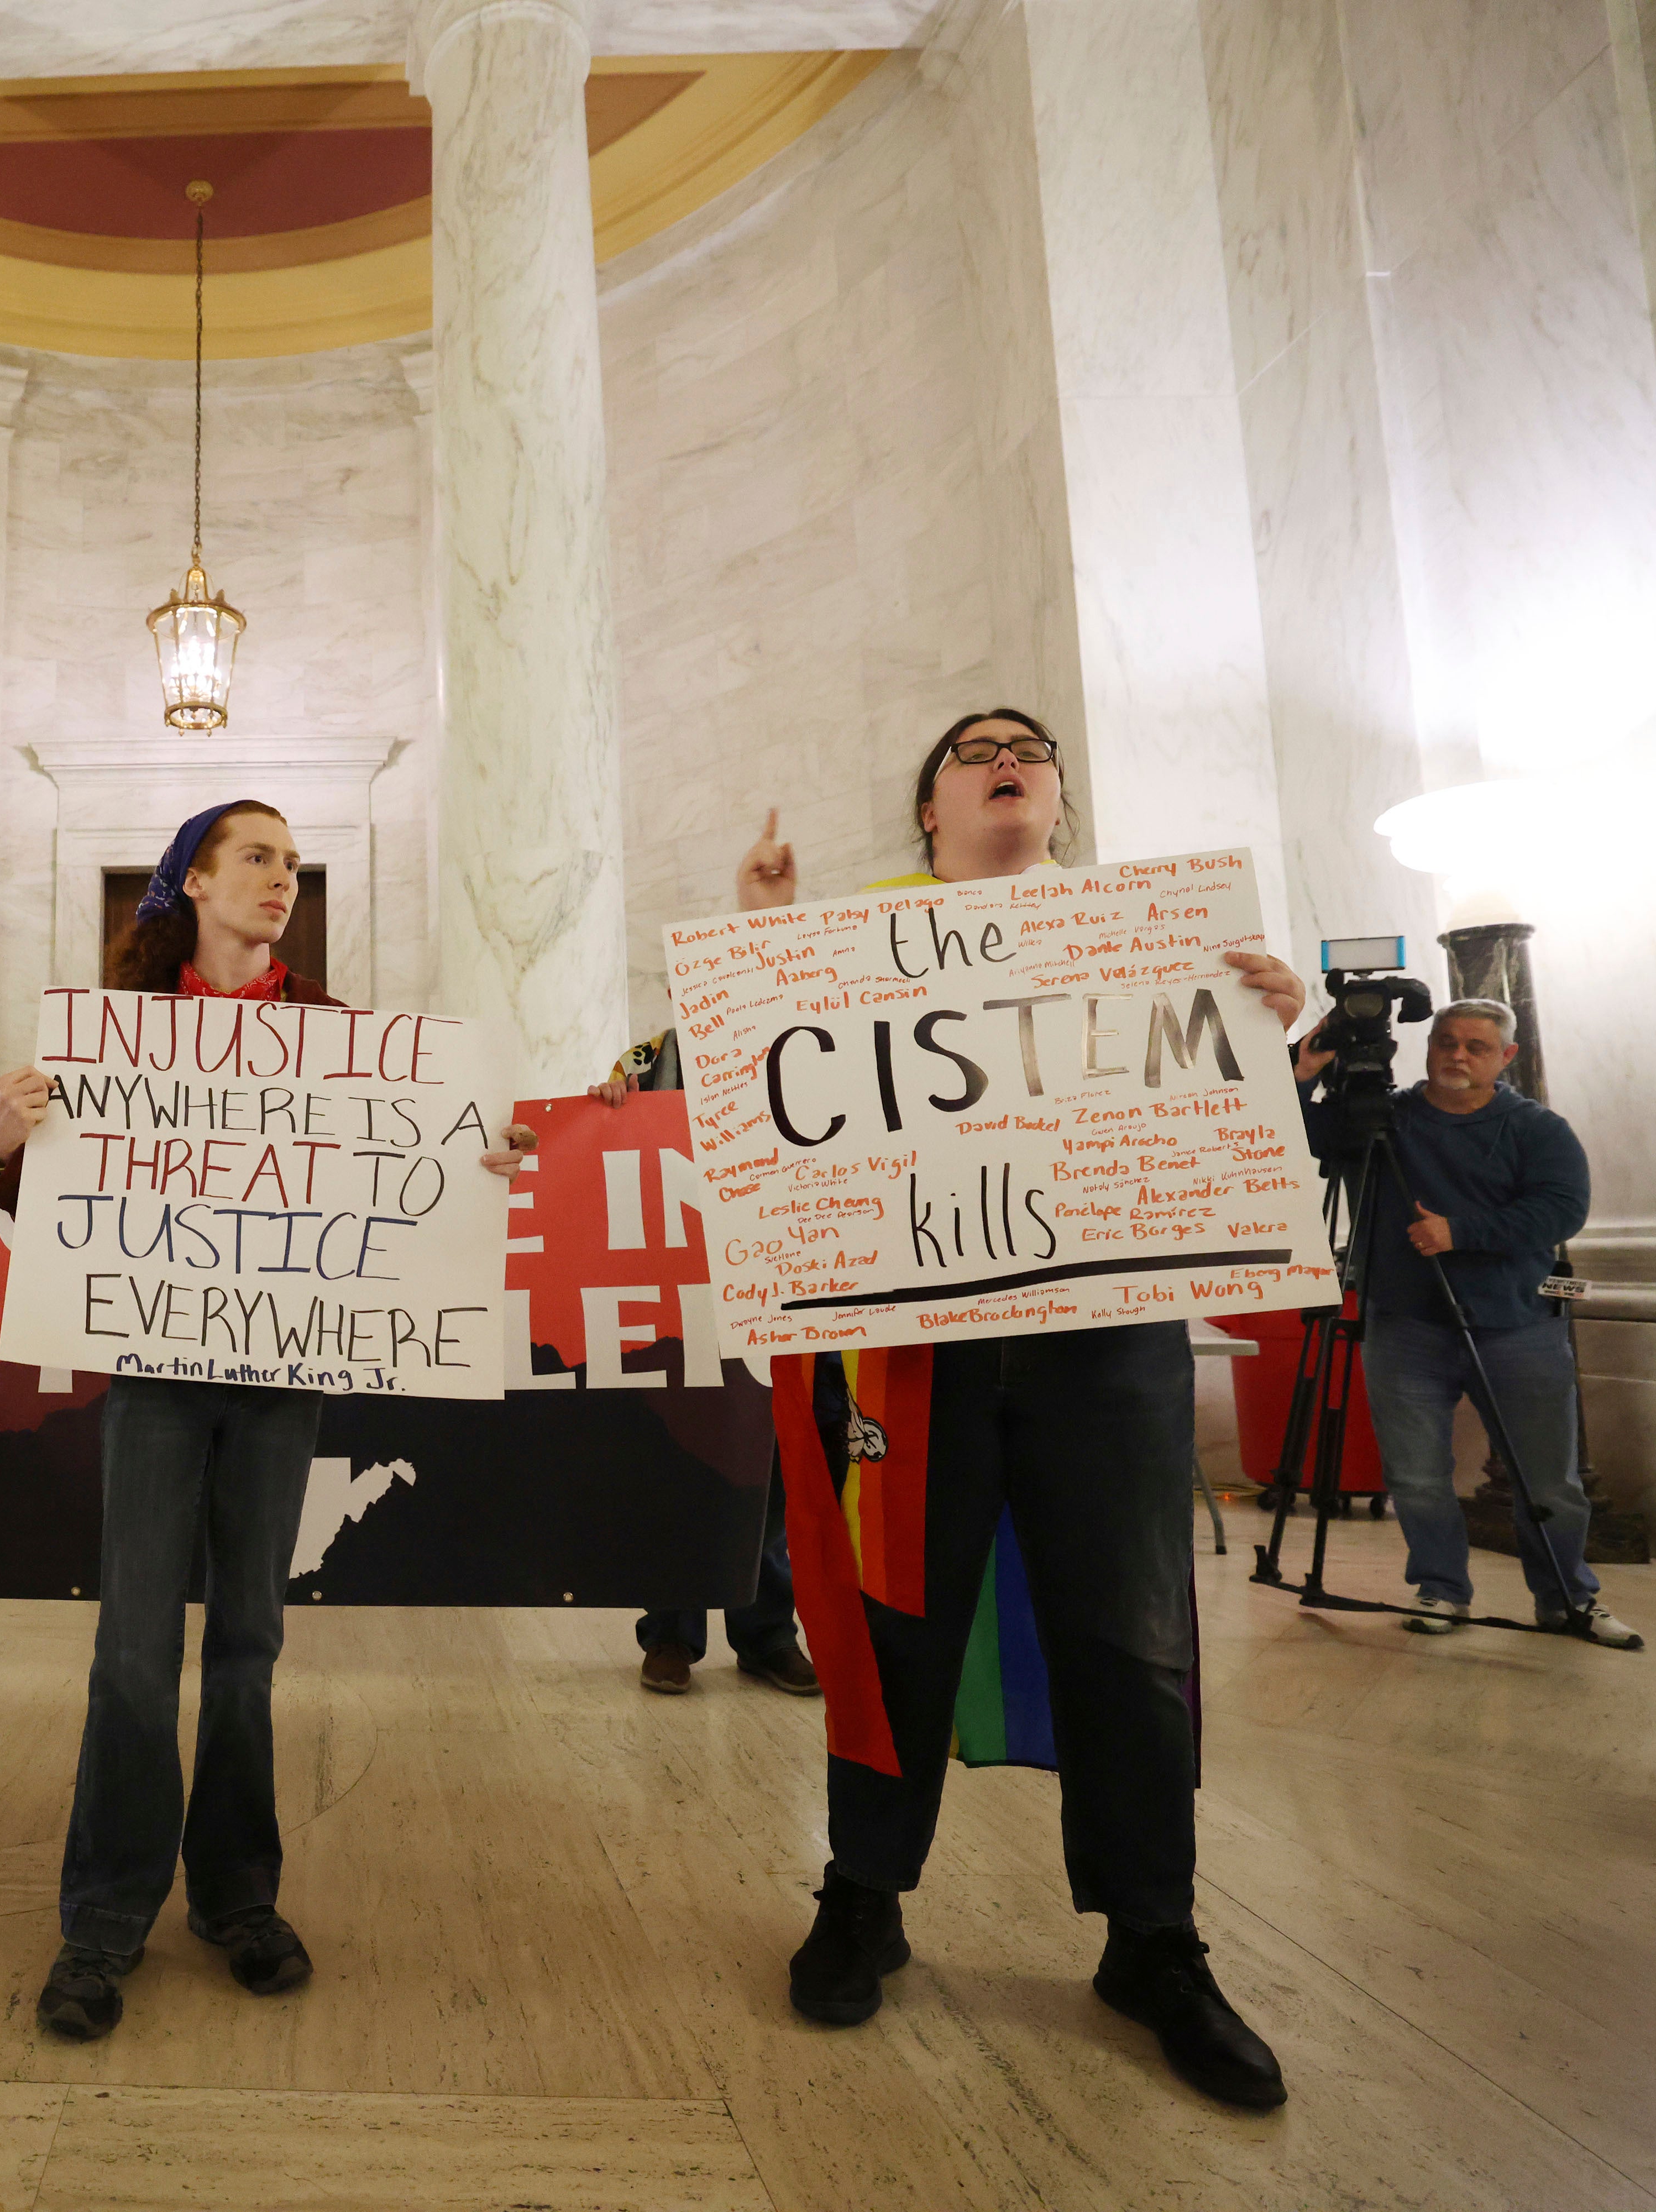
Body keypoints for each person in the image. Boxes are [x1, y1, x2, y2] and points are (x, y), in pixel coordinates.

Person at [776, 713, 1303, 2110]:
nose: (1007, 757)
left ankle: (1154, 1938)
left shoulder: (1155, 946)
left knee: (1133, 1638)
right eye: (974, 749)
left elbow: (1219, 1134)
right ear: (929, 806)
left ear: (1057, 800)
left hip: (1107, 1341)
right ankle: (864, 1891)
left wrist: (1263, 1028)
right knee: (897, 1628)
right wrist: (764, 946)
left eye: (1031, 747)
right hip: (918, 1354)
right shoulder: (855, 940)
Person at [0, 799, 532, 2042]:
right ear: (192, 883)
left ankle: (237, 1896)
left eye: (293, 861)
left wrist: (481, 1159)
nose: (284, 878)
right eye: (258, 858)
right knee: (132, 1647)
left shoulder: (340, 1041)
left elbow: (418, 1187)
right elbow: (46, 1219)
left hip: (286, 1373)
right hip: (157, 1373)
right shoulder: (119, 1038)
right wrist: (10, 1139)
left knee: (249, 1640)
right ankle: (104, 1918)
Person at [1299, 1002, 1638, 1648]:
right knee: (1418, 1477)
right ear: (1426, 1048)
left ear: (1505, 1057)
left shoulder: (1537, 1129)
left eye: (1477, 1047)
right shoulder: (1382, 1120)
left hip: (1518, 1325)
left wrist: (1461, 1233)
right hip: (1405, 1323)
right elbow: (1293, 1136)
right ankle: (1441, 1589)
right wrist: (1304, 1074)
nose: (1458, 1056)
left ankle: (1568, 1598)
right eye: (1446, 1043)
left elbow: (1562, 1210)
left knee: (1549, 1482)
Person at [591, 811, 821, 1699]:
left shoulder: (798, 1046)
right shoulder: (651, 1057)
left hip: (780, 1291)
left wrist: (766, 914)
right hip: (677, 1299)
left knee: (771, 1473)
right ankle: (671, 1635)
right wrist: (607, 1102)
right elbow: (602, 1142)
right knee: (681, 1464)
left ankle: (767, 1632)